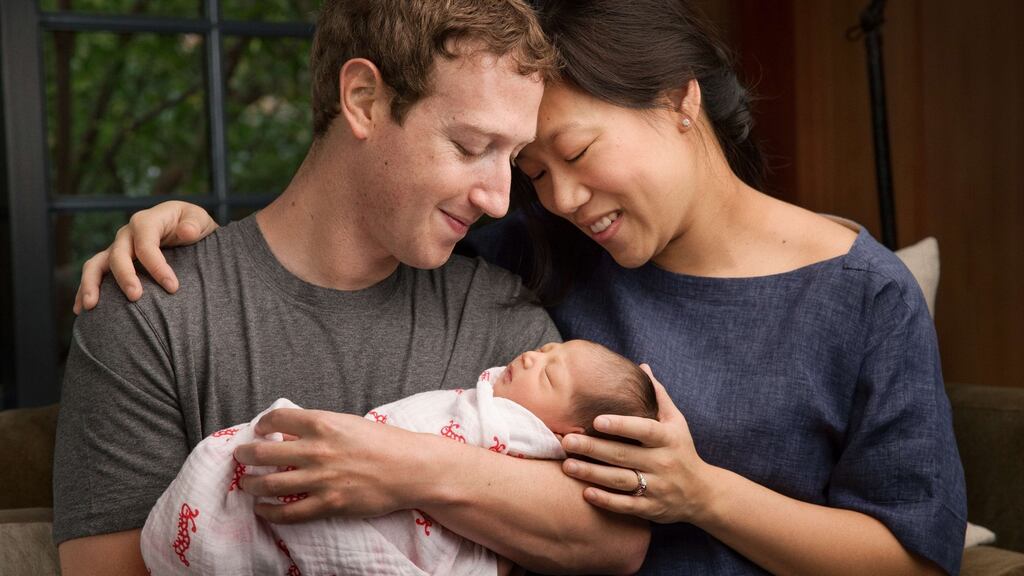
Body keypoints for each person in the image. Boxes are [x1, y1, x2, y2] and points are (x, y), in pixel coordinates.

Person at [75, 0, 968, 574]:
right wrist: (177, 229)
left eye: (557, 156)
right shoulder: (540, 253)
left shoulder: (863, 295)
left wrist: (702, 493)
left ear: (680, 102)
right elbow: (349, 215)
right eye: (517, 163)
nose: (533, 196)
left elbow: (916, 556)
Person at [52, 2, 651, 575]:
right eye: (471, 147)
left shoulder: (499, 321)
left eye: (513, 159)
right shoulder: (152, 310)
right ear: (363, 99)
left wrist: (402, 466)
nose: (498, 199)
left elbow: (613, 541)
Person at [140, 340, 657, 575]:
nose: (532, 356)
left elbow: (620, 541)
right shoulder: (169, 315)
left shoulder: (522, 427)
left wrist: (404, 467)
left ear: (566, 434)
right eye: (546, 350)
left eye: (548, 373)